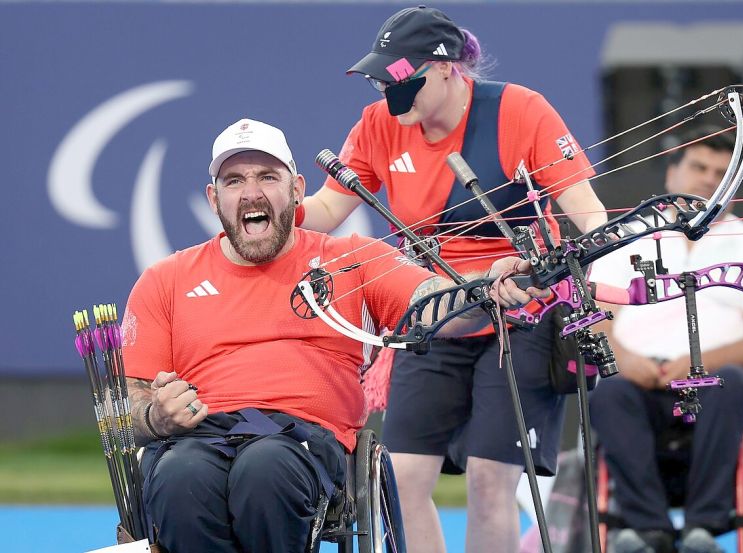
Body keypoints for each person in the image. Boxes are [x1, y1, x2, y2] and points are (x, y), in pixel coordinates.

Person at [122, 118, 547, 553]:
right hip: (201, 437)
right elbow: (127, 409)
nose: (251, 192)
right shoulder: (165, 280)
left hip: (300, 441)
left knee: (264, 470)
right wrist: (157, 416)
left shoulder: (349, 259)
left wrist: (484, 288)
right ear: (214, 198)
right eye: (234, 181)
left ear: (297, 189)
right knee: (180, 477)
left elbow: (432, 300)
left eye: (268, 177)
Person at [298, 6, 608, 552]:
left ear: (445, 68)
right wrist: (273, 207)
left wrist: (569, 270)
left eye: (401, 81)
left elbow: (589, 215)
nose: (391, 97)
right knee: (402, 480)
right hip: (434, 312)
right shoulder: (379, 125)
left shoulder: (520, 111)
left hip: (523, 314)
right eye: (381, 81)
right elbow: (323, 210)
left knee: (491, 482)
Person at [587, 127, 743, 553]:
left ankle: (704, 530)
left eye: (722, 171)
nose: (708, 178)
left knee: (732, 382)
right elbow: (595, 319)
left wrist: (700, 364)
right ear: (672, 174)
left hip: (719, 386)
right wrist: (624, 360)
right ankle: (649, 531)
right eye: (699, 167)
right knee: (606, 390)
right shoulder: (626, 240)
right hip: (639, 380)